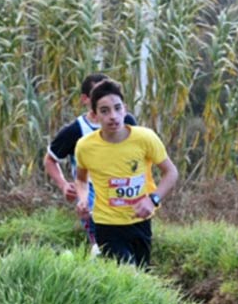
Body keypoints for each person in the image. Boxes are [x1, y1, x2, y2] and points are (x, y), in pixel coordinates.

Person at [74, 79, 178, 267]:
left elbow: (171, 173)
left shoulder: (145, 138)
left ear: (125, 109)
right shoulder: (85, 146)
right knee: (126, 270)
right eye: (104, 111)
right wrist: (83, 199)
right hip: (106, 224)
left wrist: (152, 199)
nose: (113, 116)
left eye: (117, 108)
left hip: (140, 221)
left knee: (140, 275)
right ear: (95, 115)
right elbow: (81, 179)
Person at [43, 73, 138, 253]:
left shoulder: (127, 122)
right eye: (98, 94)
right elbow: (50, 159)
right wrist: (64, 185)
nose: (105, 98)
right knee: (104, 239)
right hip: (92, 189)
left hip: (123, 187)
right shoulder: (76, 130)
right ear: (86, 100)